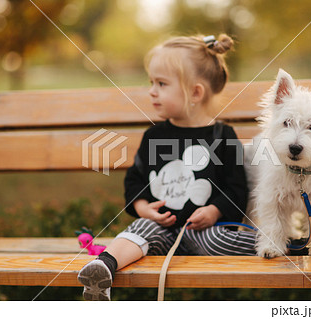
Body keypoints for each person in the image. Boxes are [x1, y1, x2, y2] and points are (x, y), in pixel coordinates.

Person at [78, 34, 257, 301]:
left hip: (203, 231)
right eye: (151, 82)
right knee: (137, 231)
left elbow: (236, 189)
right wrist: (142, 208)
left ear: (195, 92)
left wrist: (214, 210)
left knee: (218, 239)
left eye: (161, 83)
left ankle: (286, 247)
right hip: (160, 228)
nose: (151, 90)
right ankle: (103, 267)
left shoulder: (223, 136)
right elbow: (135, 180)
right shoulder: (154, 136)